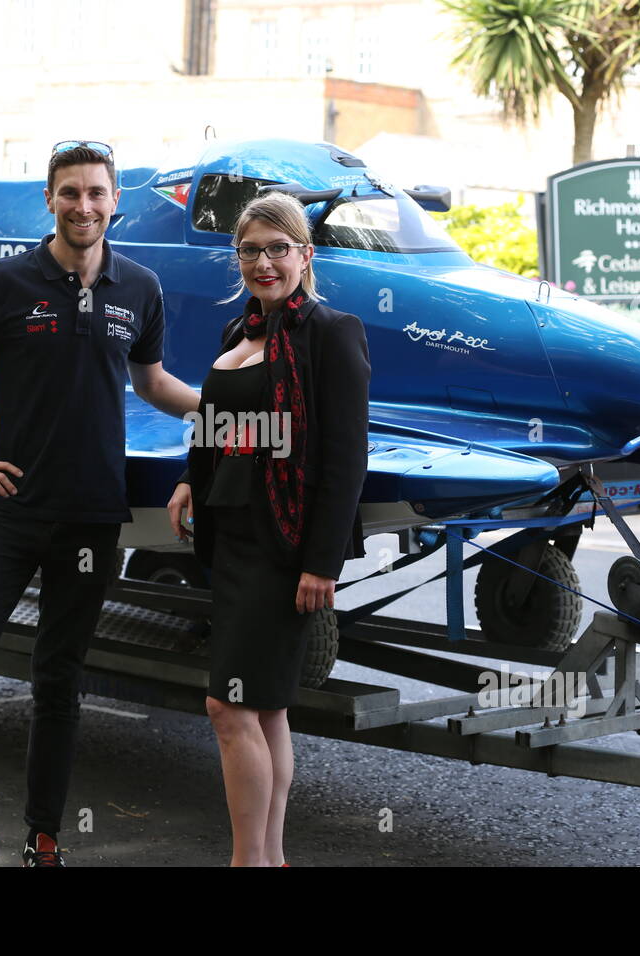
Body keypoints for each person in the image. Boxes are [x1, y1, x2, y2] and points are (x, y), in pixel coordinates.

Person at [0, 141, 199, 867]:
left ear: (115, 199)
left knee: (57, 679)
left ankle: (43, 839)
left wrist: (228, 409)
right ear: (50, 199)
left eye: (96, 192)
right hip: (9, 510)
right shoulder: (7, 282)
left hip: (93, 516)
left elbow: (153, 382)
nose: (84, 205)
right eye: (70, 192)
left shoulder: (140, 287)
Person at [168, 191, 370, 866]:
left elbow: (346, 457)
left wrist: (323, 562)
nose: (263, 262)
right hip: (231, 536)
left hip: (283, 546)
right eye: (250, 250)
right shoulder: (240, 333)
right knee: (264, 709)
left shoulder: (332, 333)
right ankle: (272, 858)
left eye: (278, 248)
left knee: (227, 708)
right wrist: (191, 477)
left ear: (305, 255)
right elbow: (215, 422)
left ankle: (247, 861)